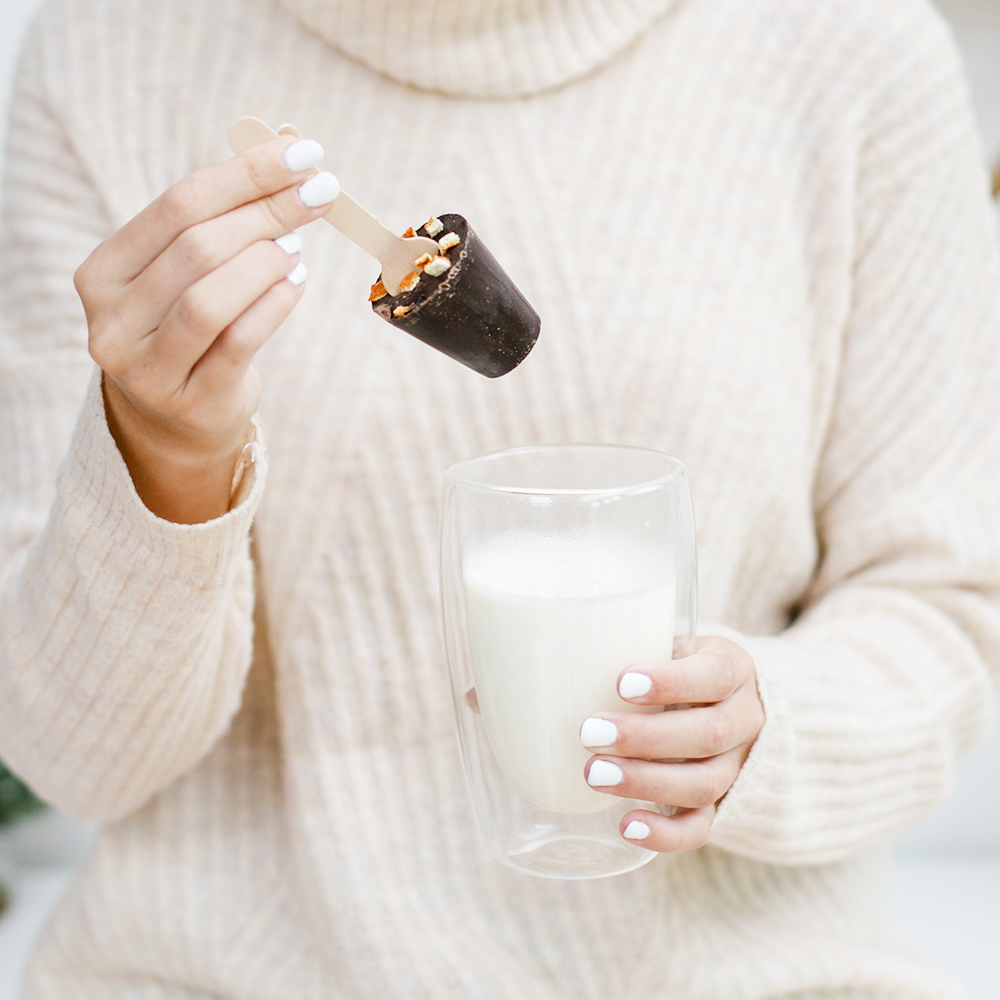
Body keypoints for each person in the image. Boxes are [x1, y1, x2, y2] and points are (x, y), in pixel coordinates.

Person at [1, 0, 998, 996]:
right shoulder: (106, 48)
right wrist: (161, 445)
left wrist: (756, 730)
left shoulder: (857, 49)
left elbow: (941, 607)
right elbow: (77, 760)